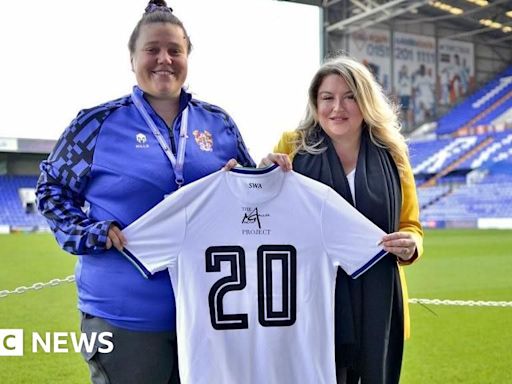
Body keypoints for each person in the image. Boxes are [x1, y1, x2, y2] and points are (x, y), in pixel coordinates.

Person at [36, 1, 254, 383]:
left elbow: (253, 197)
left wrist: (270, 172)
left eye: (175, 50)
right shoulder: (95, 124)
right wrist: (91, 232)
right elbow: (50, 190)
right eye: (152, 49)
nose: (164, 59)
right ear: (132, 57)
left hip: (210, 317)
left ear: (188, 56)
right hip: (123, 316)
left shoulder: (219, 124)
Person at [262, 55, 423, 384]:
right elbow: (261, 219)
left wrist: (411, 245)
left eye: (350, 96)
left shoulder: (393, 155)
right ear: (315, 103)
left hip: (378, 302)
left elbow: (411, 226)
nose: (338, 107)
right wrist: (263, 176)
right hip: (312, 299)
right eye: (328, 98)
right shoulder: (291, 146)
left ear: (365, 101)